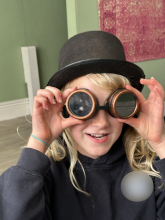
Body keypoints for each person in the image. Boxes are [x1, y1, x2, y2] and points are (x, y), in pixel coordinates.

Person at [0, 31, 165, 220]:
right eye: (81, 105)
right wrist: (38, 141)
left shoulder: (150, 168)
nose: (101, 123)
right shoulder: (44, 176)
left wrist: (160, 143)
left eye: (117, 105)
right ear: (63, 108)